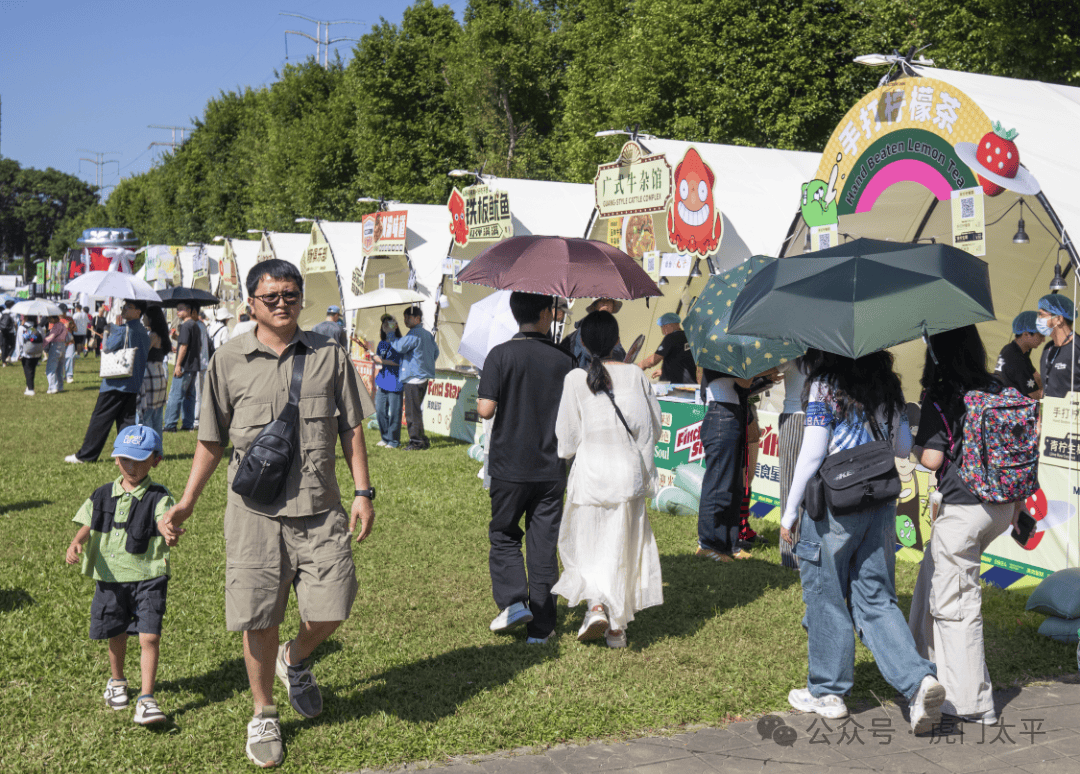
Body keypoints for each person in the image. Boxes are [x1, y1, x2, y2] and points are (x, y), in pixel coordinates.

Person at [158, 259, 376, 769]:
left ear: (301, 298)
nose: (282, 303)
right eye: (271, 296)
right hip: (254, 513)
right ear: (251, 303)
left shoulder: (329, 354)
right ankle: (263, 711)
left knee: (334, 604)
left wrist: (363, 491)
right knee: (258, 614)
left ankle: (294, 659)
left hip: (320, 506)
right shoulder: (228, 360)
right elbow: (210, 441)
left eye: (291, 295)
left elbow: (352, 428)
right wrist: (188, 502)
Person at [779, 350, 944, 732]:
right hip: (882, 504)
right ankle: (919, 682)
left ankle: (828, 692)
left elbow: (814, 451)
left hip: (836, 506)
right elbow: (903, 447)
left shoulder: (825, 386)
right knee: (876, 599)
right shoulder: (887, 386)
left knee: (826, 595)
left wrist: (789, 513)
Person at [908, 326, 1018, 725]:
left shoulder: (943, 396)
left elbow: (933, 460)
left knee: (957, 605)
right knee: (934, 577)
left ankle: (973, 704)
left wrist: (913, 444)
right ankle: (922, 666)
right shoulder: (997, 386)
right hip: (1002, 507)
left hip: (964, 510)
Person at [552, 310, 663, 648]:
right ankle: (616, 625)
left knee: (587, 543)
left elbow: (566, 441)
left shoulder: (575, 379)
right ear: (617, 340)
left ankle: (597, 604)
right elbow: (652, 428)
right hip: (626, 475)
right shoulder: (635, 375)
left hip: (590, 474)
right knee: (621, 548)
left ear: (582, 342)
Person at [478, 292, 574, 644]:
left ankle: (514, 602)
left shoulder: (500, 354)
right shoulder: (566, 359)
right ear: (547, 313)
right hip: (552, 466)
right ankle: (543, 628)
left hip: (509, 466)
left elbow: (486, 410)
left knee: (504, 534)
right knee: (542, 545)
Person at [65, 425, 173, 725]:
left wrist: (167, 528)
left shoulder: (158, 495)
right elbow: (89, 522)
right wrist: (77, 542)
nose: (132, 466)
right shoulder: (102, 494)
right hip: (110, 578)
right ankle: (117, 681)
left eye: (140, 460)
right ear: (115, 459)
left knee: (149, 635)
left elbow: (164, 517)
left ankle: (147, 698)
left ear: (156, 460)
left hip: (149, 575)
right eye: (126, 459)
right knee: (116, 632)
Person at [66, 300, 152, 464]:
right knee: (126, 420)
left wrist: (107, 331)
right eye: (123, 306)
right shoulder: (144, 331)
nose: (123, 309)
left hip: (115, 381)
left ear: (138, 311)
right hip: (133, 383)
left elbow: (106, 347)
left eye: (128, 307)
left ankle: (86, 455)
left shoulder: (123, 330)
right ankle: (126, 455)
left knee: (100, 419)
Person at [697, 367, 754, 561]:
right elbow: (745, 381)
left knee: (733, 486)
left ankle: (728, 545)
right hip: (722, 414)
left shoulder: (725, 351)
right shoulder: (721, 352)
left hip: (731, 412)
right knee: (718, 486)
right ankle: (707, 545)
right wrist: (763, 373)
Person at [777, 353, 817, 569]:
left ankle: (790, 556)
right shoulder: (826, 351)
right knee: (812, 488)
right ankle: (808, 553)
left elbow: (772, 369)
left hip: (794, 417)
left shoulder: (791, 349)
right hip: (820, 420)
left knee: (789, 484)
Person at [390, 305, 439, 451]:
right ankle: (422, 440)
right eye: (404, 317)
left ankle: (416, 442)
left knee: (412, 412)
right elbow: (435, 352)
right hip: (422, 377)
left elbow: (398, 347)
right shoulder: (427, 334)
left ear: (417, 319)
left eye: (408, 317)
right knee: (416, 411)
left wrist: (392, 333)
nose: (405, 320)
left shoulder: (414, 334)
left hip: (413, 378)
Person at [356, 314, 404, 448]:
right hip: (382, 381)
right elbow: (380, 362)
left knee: (395, 413)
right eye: (384, 324)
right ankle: (385, 438)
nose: (385, 326)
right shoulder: (382, 343)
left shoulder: (400, 342)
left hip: (395, 383)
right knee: (380, 411)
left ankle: (394, 441)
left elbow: (400, 362)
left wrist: (382, 360)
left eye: (389, 323)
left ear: (395, 325)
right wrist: (375, 358)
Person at [162, 302, 201, 432]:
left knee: (175, 395)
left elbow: (184, 345)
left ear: (189, 310)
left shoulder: (185, 326)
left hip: (184, 366)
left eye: (181, 309)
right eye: (177, 309)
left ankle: (170, 424)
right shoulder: (195, 325)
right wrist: (176, 338)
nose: (178, 311)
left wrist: (178, 364)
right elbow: (192, 344)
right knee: (189, 396)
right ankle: (188, 424)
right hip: (193, 365)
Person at [137, 306, 173, 436]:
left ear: (151, 319)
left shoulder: (152, 335)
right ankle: (157, 451)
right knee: (157, 417)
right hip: (159, 375)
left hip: (149, 377)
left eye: (145, 316)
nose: (143, 319)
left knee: (145, 417)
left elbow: (140, 354)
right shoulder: (162, 335)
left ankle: (147, 449)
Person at [560, 298, 625, 369]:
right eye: (601, 301)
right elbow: (588, 352)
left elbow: (620, 353)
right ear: (595, 306)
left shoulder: (611, 329)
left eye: (609, 301)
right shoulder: (586, 326)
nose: (605, 304)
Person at [1037, 294, 1079, 399]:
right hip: (1049, 413)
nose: (1038, 319)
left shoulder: (1077, 348)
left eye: (1041, 315)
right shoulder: (1048, 348)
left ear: (1059, 319)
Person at [994, 311, 1043, 398]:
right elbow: (1035, 395)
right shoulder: (1016, 358)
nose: (1043, 340)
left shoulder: (1011, 348)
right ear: (1026, 334)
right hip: (1011, 407)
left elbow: (1036, 376)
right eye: (1041, 335)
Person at [638, 313, 697, 383]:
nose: (662, 331)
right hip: (691, 384)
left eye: (662, 327)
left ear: (667, 325)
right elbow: (683, 360)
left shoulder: (671, 337)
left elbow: (654, 360)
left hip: (676, 386)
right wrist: (665, 371)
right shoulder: (688, 336)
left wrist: (641, 365)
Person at [19, 315, 46, 396]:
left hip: (27, 352)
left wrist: (19, 353)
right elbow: (43, 338)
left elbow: (20, 342)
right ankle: (29, 386)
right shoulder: (38, 327)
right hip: (37, 351)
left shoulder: (22, 328)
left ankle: (31, 389)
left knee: (27, 370)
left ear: (26, 318)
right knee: (32, 369)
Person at [44, 313, 70, 394]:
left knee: (50, 368)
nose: (49, 320)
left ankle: (53, 387)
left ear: (54, 319)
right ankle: (60, 386)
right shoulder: (63, 325)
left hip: (55, 346)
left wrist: (42, 344)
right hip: (63, 347)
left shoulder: (56, 326)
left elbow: (51, 337)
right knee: (59, 369)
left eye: (50, 319)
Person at [60, 303, 76, 383]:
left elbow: (75, 329)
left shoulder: (69, 318)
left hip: (70, 342)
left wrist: (71, 326)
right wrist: (64, 327)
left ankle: (69, 375)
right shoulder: (55, 320)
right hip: (60, 343)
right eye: (63, 312)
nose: (64, 313)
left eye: (65, 312)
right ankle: (62, 376)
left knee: (70, 357)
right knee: (61, 360)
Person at [0, 300, 15, 365]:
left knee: (3, 346)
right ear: (11, 305)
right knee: (12, 345)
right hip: (11, 332)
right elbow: (15, 323)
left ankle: (4, 362)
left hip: (2, 331)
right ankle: (8, 356)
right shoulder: (13, 313)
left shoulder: (2, 312)